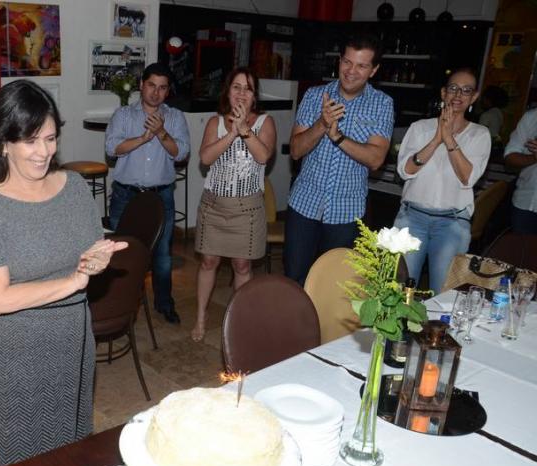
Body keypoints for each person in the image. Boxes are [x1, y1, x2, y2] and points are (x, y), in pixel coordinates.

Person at [0, 80, 127, 466]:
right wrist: (74, 281)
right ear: (4, 143)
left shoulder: (75, 187)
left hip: (73, 343)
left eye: (51, 138)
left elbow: (89, 252)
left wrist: (97, 261)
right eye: (31, 141)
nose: (44, 152)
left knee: (74, 460)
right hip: (14, 357)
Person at [285, 34, 394, 285]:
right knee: (294, 280)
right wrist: (322, 124)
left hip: (346, 212)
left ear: (373, 70)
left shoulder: (382, 104)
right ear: (339, 61)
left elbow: (376, 159)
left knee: (333, 286)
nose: (351, 71)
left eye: (361, 65)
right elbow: (296, 150)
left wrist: (338, 138)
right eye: (347, 62)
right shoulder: (315, 95)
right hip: (304, 204)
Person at [192, 67, 277, 342]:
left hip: (247, 210)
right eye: (236, 87)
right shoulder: (215, 122)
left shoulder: (265, 122)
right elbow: (205, 158)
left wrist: (245, 130)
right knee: (208, 261)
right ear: (227, 92)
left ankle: (239, 320)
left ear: (254, 96)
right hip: (213, 206)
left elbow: (263, 157)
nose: (241, 93)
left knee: (242, 266)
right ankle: (201, 317)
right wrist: (231, 133)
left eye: (247, 88)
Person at [105, 62, 191, 324]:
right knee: (121, 253)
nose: (156, 92)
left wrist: (161, 132)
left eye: (162, 88)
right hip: (125, 195)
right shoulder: (123, 115)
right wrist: (143, 138)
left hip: (160, 196)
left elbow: (182, 153)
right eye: (151, 85)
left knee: (162, 255)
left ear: (168, 91)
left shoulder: (175, 117)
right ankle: (119, 303)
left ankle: (164, 303)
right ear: (141, 85)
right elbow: (111, 148)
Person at [394, 68, 491, 292]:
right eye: (453, 88)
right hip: (411, 218)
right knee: (398, 291)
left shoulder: (479, 134)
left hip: (452, 223)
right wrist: (436, 139)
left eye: (466, 90)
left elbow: (468, 178)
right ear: (443, 93)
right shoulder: (420, 128)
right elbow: (405, 171)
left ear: (474, 97)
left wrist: (448, 139)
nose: (458, 95)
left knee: (443, 294)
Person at [504, 107, 537, 234]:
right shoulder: (531, 117)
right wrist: (534, 158)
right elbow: (510, 156)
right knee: (519, 246)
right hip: (525, 204)